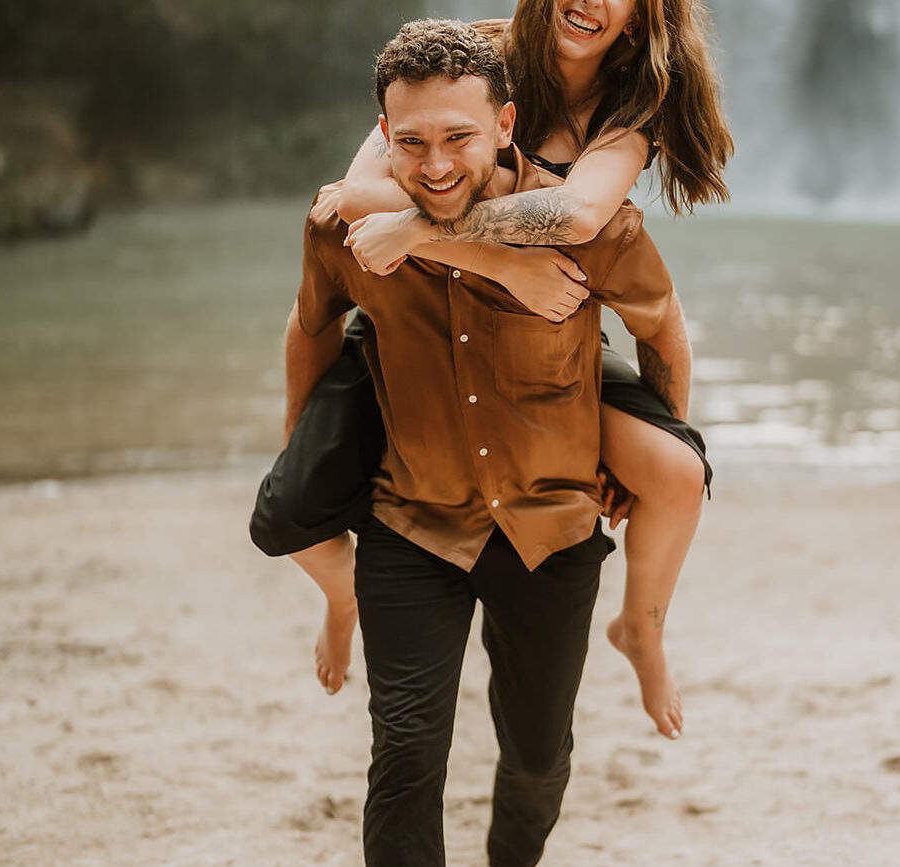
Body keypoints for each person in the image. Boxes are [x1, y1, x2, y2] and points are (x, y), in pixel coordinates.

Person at [251, 0, 732, 740]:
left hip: (540, 332)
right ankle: (345, 597)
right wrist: (492, 259)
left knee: (673, 471)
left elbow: (576, 218)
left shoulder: (632, 105)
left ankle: (641, 627)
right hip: (416, 314)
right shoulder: (468, 52)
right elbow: (355, 196)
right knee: (289, 503)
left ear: (637, 18)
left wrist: (427, 230)